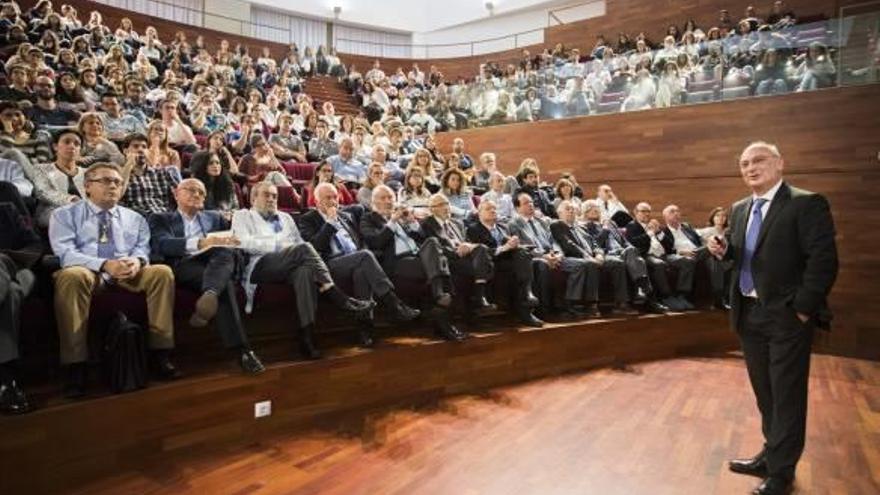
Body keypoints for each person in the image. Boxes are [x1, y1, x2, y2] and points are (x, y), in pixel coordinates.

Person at [708, 142, 837, 495]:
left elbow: (823, 262)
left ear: (780, 163)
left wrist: (802, 309)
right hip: (749, 315)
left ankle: (782, 472)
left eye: (759, 160)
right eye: (744, 163)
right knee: (766, 393)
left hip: (787, 318)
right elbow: (742, 257)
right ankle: (771, 454)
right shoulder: (738, 209)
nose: (751, 167)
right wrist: (724, 253)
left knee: (787, 395)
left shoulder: (806, 203)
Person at [49, 163, 179, 398]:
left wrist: (137, 262)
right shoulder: (64, 214)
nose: (114, 186)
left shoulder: (135, 217)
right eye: (106, 181)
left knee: (161, 272)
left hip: (126, 274)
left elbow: (142, 249)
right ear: (87, 186)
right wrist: (104, 264)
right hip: (88, 272)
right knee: (71, 275)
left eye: (118, 182)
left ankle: (161, 352)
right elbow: (64, 253)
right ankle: (75, 365)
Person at [231, 182, 374, 359]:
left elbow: (299, 244)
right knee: (303, 249)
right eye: (266, 195)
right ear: (253, 198)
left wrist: (290, 250)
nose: (271, 199)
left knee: (305, 272)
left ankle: (307, 336)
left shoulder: (285, 217)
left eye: (275, 196)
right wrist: (281, 247)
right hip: (260, 264)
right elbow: (244, 243)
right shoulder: (243, 215)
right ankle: (336, 294)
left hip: (291, 264)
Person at [149, 179, 264, 374]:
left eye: (201, 193)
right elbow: (162, 245)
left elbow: (232, 243)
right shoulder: (161, 218)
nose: (197, 195)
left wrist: (232, 240)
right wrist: (203, 242)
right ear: (176, 194)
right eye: (191, 190)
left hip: (214, 265)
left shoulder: (214, 217)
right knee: (223, 279)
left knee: (225, 253)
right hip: (183, 265)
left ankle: (210, 295)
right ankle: (243, 352)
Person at [299, 183, 420, 347]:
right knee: (364, 256)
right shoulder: (308, 219)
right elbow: (315, 247)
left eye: (335, 197)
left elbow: (360, 242)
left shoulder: (346, 216)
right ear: (316, 201)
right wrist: (330, 223)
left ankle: (365, 328)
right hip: (329, 265)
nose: (333, 201)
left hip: (355, 259)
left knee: (362, 270)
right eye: (328, 197)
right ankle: (394, 304)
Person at [360, 185, 465, 342]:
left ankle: (439, 299)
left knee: (432, 241)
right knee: (445, 268)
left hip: (418, 257)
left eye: (391, 197)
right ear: (373, 201)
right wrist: (393, 221)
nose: (388, 201)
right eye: (384, 198)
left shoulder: (402, 218)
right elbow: (376, 242)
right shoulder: (368, 219)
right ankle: (441, 306)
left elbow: (422, 240)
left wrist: (412, 222)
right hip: (397, 262)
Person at [508, 193, 588, 319]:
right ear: (517, 208)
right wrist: (544, 256)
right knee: (543, 265)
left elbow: (553, 241)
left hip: (552, 255)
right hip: (534, 257)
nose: (531, 205)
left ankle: (569, 304)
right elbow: (523, 247)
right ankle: (544, 310)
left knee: (580, 265)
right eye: (526, 203)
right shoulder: (513, 224)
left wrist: (558, 254)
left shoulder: (542, 222)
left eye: (531, 202)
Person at [466, 199, 543, 326]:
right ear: (479, 213)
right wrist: (505, 248)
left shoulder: (503, 227)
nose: (493, 211)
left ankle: (527, 295)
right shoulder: (473, 229)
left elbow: (509, 247)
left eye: (494, 208)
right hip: (489, 263)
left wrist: (515, 245)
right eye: (488, 209)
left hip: (507, 260)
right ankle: (525, 299)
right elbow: (481, 252)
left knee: (523, 254)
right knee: (519, 264)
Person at [421, 193, 495, 314]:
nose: (446, 207)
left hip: (465, 257)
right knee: (483, 264)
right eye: (441, 205)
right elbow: (433, 247)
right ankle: (477, 298)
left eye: (447, 203)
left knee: (481, 248)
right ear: (432, 209)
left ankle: (480, 296)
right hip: (447, 259)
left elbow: (469, 242)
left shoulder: (458, 223)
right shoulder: (427, 224)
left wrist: (468, 246)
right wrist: (456, 252)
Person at [0, 253, 35, 414]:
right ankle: (7, 381)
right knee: (11, 294)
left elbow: (34, 248)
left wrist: (7, 256)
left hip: (18, 272)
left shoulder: (15, 226)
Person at [119, 133, 180, 217]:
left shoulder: (162, 173)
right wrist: (129, 165)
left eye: (144, 147)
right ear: (125, 151)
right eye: (136, 146)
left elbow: (181, 197)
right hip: (138, 218)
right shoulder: (120, 174)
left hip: (164, 217)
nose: (140, 150)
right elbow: (118, 194)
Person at [698, 206, 733, 309]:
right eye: (718, 215)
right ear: (712, 217)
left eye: (724, 216)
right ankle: (718, 298)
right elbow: (702, 247)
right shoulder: (705, 231)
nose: (721, 218)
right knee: (716, 262)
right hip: (710, 257)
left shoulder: (730, 231)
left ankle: (731, 298)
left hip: (727, 257)